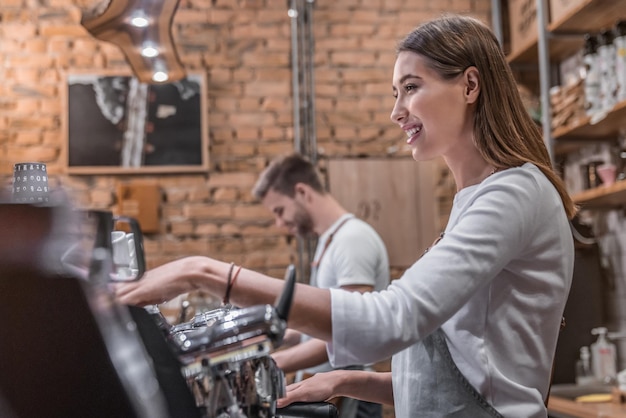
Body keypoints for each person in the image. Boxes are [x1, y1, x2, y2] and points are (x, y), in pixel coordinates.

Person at [116, 14, 578, 417]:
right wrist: (342, 381)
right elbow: (461, 381)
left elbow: (394, 319)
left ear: (470, 85)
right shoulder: (476, 201)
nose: (396, 112)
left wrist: (206, 272)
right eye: (395, 93)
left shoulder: (516, 192)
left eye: (411, 88)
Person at [250, 153, 390, 418]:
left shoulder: (352, 240)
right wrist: (272, 336)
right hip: (335, 394)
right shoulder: (331, 241)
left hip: (351, 397)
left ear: (301, 191)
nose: (280, 224)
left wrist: (273, 363)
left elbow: (351, 331)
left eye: (280, 211)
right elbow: (327, 324)